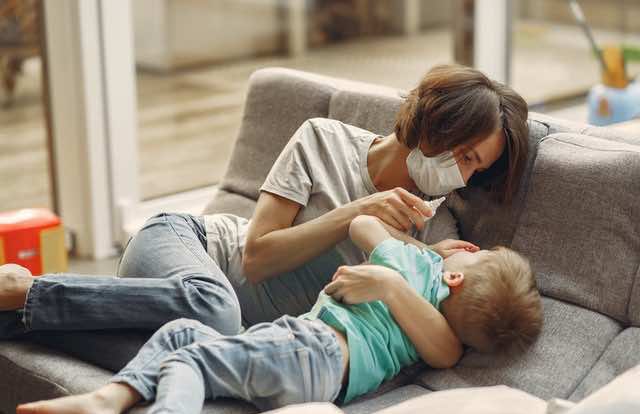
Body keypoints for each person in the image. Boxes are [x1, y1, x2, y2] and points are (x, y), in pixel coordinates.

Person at [0, 64, 529, 368]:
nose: (461, 176)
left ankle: (17, 321)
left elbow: (442, 340)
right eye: (463, 155)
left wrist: (420, 257)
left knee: (194, 353)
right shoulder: (323, 140)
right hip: (189, 247)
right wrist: (355, 213)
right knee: (216, 311)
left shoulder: (436, 227)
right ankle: (31, 291)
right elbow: (255, 258)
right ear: (436, 122)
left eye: (474, 169)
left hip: (223, 324)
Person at [15, 214, 542, 414]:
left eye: (479, 254)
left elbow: (363, 223)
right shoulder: (443, 337)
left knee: (192, 359)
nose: (469, 250)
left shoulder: (415, 267)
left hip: (307, 349)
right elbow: (448, 352)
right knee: (181, 332)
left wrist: (417, 251)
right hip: (315, 376)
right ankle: (109, 399)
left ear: (455, 278)